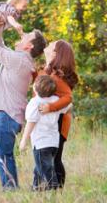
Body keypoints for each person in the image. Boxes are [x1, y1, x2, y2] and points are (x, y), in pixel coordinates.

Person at [0, 8, 47, 189]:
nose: (23, 34)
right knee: (3, 157)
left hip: (5, 116)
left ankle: (11, 193)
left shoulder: (20, 60)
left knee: (3, 158)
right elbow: (0, 46)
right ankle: (12, 192)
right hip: (6, 116)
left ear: (29, 46)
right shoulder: (19, 59)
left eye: (26, 36)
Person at [19, 74, 72, 191]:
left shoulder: (34, 103)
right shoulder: (55, 101)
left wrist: (23, 141)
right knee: (40, 167)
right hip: (53, 143)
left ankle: (53, 190)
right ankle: (35, 188)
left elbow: (31, 123)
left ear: (35, 88)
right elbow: (69, 106)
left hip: (41, 144)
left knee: (46, 169)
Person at [37, 40, 78, 188]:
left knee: (54, 158)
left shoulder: (58, 77)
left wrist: (51, 107)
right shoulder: (52, 72)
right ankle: (49, 188)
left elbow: (68, 98)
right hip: (54, 122)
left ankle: (57, 189)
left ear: (56, 54)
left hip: (59, 124)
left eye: (50, 46)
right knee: (50, 157)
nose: (46, 47)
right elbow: (39, 85)